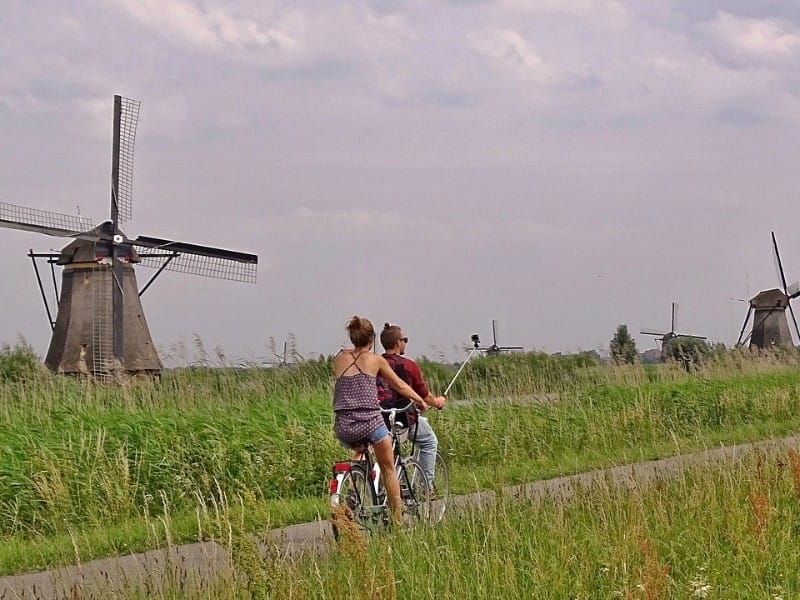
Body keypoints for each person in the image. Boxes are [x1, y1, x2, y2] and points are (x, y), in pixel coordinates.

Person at [333, 315, 428, 524]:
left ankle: (353, 485)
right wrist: (420, 401)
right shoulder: (376, 360)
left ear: (352, 337)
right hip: (370, 422)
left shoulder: (339, 359)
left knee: (361, 450)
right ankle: (397, 522)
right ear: (372, 338)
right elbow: (399, 385)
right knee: (388, 468)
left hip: (343, 426)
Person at [377, 323, 446, 489]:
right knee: (429, 442)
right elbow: (424, 395)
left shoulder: (375, 364)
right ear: (398, 343)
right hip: (404, 417)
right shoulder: (409, 365)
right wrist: (437, 402)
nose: (405, 343)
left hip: (379, 418)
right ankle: (425, 487)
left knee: (388, 453)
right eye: (405, 340)